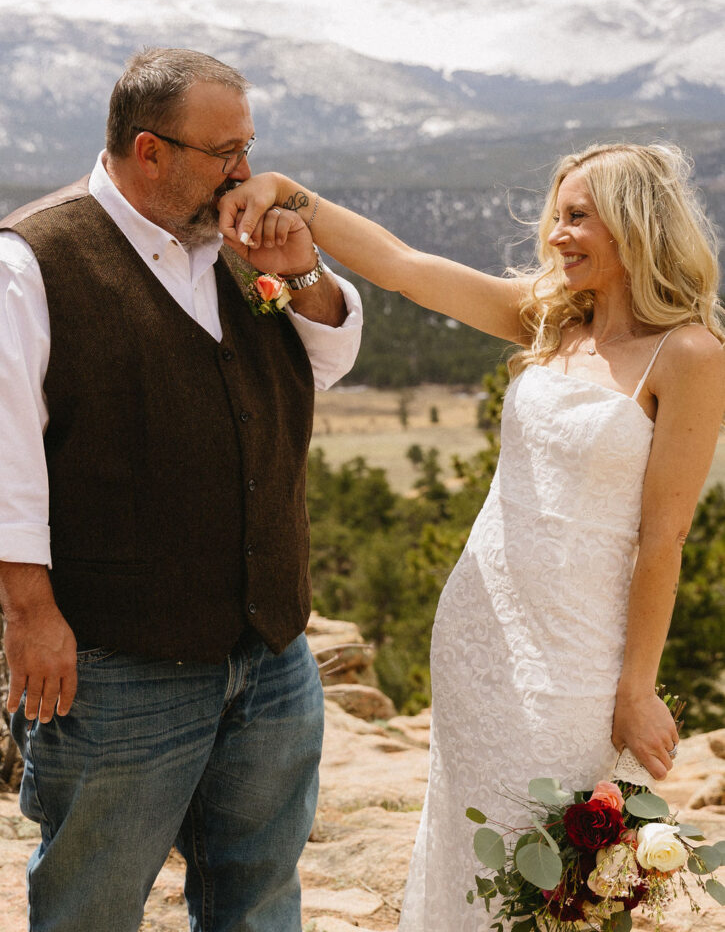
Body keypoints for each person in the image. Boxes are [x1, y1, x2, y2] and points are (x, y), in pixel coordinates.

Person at [217, 142, 725, 931]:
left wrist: (636, 687)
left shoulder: (687, 354)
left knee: (554, 873)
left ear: (634, 224)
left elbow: (664, 540)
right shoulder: (548, 318)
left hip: (580, 655)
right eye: (558, 217)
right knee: (467, 836)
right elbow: (399, 265)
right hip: (480, 630)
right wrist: (292, 194)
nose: (557, 235)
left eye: (578, 217)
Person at [0, 47, 362, 932]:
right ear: (148, 151)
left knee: (260, 894)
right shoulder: (31, 262)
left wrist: (303, 265)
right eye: (223, 152)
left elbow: (330, 361)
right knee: (92, 904)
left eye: (247, 147)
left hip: (270, 648)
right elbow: (5, 458)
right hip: (121, 661)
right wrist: (30, 617)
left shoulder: (242, 240)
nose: (245, 171)